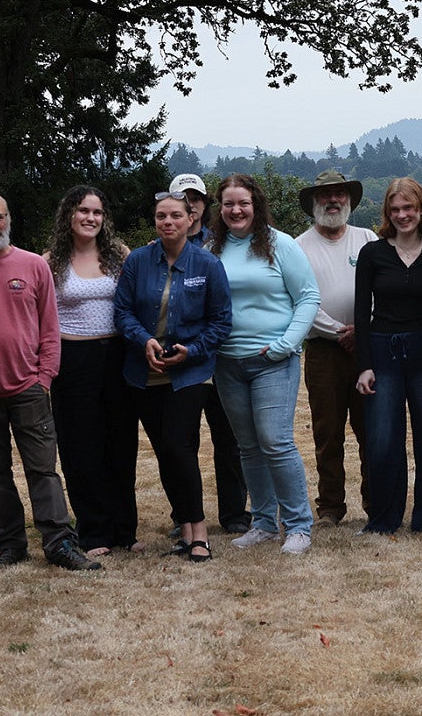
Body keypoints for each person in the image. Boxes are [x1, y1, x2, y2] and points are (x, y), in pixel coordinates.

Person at [0, 191, 99, 572]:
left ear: (8, 219)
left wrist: (43, 379)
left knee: (43, 471)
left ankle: (59, 543)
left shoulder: (34, 265)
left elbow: (50, 329)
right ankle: (10, 545)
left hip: (29, 389)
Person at [115, 191, 233, 562]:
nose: (168, 222)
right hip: (145, 372)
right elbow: (122, 313)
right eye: (161, 216)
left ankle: (199, 533)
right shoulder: (137, 261)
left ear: (190, 218)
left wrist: (192, 351)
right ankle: (184, 530)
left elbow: (221, 322)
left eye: (176, 216)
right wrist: (145, 341)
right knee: (167, 452)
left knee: (178, 446)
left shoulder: (207, 264)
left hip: (191, 373)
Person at [210, 174, 321, 555]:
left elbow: (308, 297)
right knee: (248, 446)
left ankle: (298, 526)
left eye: (243, 203)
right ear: (220, 209)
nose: (236, 210)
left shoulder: (280, 244)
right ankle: (262, 522)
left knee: (275, 441)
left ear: (256, 205)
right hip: (227, 363)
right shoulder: (213, 248)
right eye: (228, 204)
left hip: (273, 361)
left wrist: (286, 345)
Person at [42, 185, 137, 558]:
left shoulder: (121, 257)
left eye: (97, 212)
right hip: (73, 358)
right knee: (81, 446)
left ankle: (124, 531)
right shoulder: (50, 262)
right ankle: (94, 531)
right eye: (83, 210)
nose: (90, 218)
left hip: (117, 355)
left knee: (121, 443)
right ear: (69, 215)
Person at [354, 178, 422, 534]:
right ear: (387, 214)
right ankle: (383, 519)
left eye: (408, 208)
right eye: (394, 210)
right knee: (382, 441)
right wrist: (363, 365)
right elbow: (361, 313)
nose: (402, 215)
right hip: (382, 351)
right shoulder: (373, 254)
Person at [169, 172, 250, 535]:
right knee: (181, 442)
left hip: (220, 354)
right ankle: (184, 516)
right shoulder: (162, 245)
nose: (190, 205)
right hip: (181, 358)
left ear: (204, 203)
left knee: (229, 438)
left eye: (196, 198)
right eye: (181, 199)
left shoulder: (223, 243)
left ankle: (234, 514)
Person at [296, 170, 377, 525]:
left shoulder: (368, 239)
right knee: (327, 433)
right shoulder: (298, 247)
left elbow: (381, 290)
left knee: (371, 430)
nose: (333, 200)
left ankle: (377, 504)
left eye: (340, 194)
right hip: (323, 353)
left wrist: (364, 329)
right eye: (325, 195)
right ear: (315, 202)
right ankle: (330, 507)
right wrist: (338, 331)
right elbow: (299, 302)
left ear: (349, 199)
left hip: (367, 350)